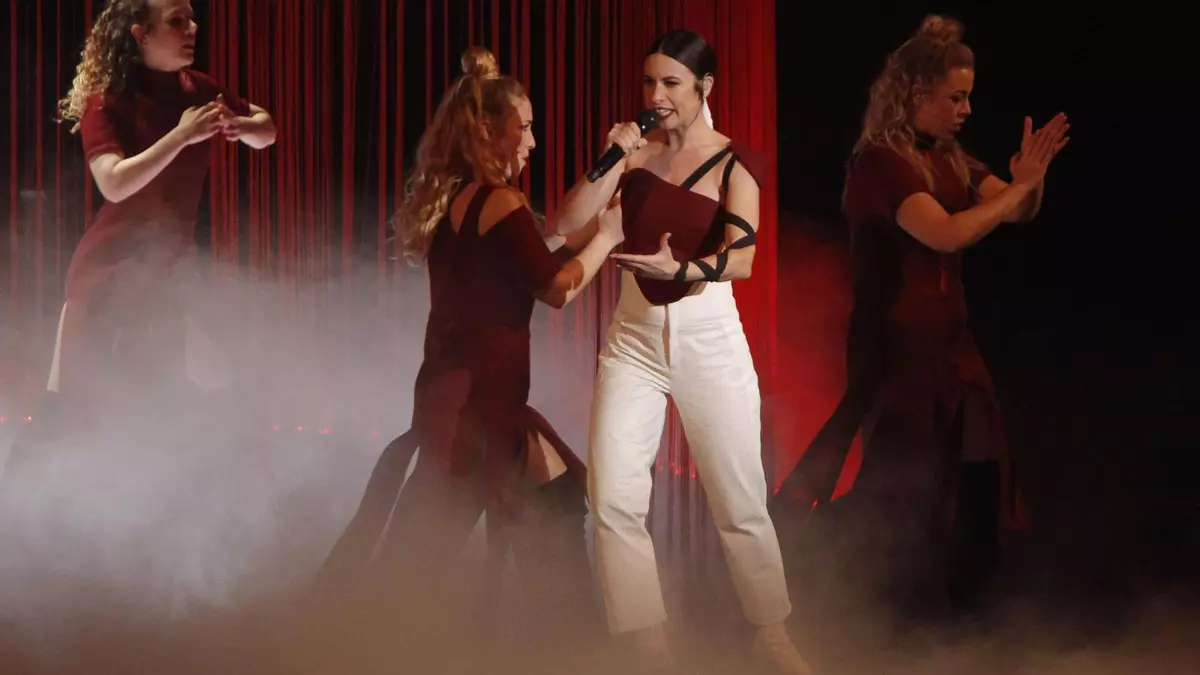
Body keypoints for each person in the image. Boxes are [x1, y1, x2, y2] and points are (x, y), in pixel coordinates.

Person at [317, 47, 625, 650]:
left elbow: (545, 246)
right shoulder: (498, 202)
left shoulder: (465, 199)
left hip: (471, 401)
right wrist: (609, 239)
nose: (532, 140)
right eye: (524, 126)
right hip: (475, 410)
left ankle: (569, 646)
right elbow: (557, 287)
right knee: (427, 557)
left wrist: (607, 193)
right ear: (489, 130)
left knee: (548, 504)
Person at [771, 15, 1069, 619]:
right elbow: (946, 233)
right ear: (915, 94)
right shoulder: (880, 163)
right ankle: (866, 604)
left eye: (969, 97)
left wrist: (1029, 183)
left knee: (977, 468)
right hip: (896, 347)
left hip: (950, 342)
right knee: (903, 481)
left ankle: (963, 609)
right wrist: (1018, 191)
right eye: (955, 97)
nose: (966, 110)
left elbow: (1016, 211)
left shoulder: (952, 158)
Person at [555, 29, 811, 674]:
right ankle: (648, 646)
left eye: (670, 82)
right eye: (649, 82)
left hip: (708, 338)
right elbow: (565, 225)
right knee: (612, 497)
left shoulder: (734, 161)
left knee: (738, 499)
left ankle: (771, 634)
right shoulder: (633, 158)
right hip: (633, 339)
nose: (656, 95)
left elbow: (744, 259)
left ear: (705, 87)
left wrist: (683, 269)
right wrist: (611, 158)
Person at [4, 0, 275, 470]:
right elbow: (113, 182)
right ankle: (19, 497)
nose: (192, 28)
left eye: (191, 19)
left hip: (168, 271)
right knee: (69, 405)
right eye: (177, 21)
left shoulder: (199, 89)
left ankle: (179, 494)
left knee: (183, 395)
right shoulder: (108, 101)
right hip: (109, 270)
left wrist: (242, 125)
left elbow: (267, 130)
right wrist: (182, 136)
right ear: (141, 34)